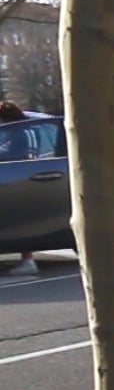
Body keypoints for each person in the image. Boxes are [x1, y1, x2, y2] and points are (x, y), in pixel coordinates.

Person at [0, 100, 36, 276]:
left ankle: (28, 260)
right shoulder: (22, 131)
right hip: (22, 177)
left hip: (19, 179)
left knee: (21, 218)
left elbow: (14, 154)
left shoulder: (17, 133)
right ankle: (26, 259)